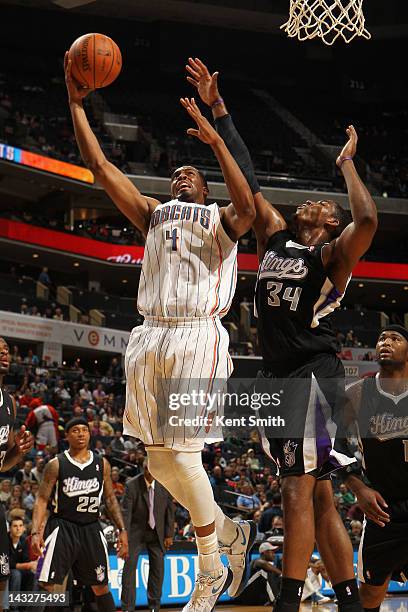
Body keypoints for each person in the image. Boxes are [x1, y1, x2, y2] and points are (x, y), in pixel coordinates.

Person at [65, 54, 257, 612]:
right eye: (176, 175)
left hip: (197, 334)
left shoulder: (221, 220)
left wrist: (216, 143)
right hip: (148, 337)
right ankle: (227, 530)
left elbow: (247, 202)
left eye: (190, 175)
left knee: (186, 455)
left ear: (204, 188)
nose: (181, 178)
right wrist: (76, 105)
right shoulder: (152, 214)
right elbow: (101, 168)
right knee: (155, 460)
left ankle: (209, 568)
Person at [186, 57, 378, 612]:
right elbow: (246, 178)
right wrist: (219, 110)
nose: (313, 202)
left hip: (315, 376)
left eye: (325, 203)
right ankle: (347, 601)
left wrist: (347, 167)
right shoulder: (275, 237)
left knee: (297, 487)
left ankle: (289, 604)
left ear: (330, 222)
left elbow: (367, 223)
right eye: (314, 200)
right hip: (279, 377)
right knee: (317, 494)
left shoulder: (330, 256)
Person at [31, 417, 129, 612]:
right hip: (62, 526)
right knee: (46, 584)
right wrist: (36, 532)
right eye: (75, 430)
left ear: (89, 433)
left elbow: (110, 499)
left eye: (84, 429)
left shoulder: (102, 464)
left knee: (101, 586)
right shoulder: (56, 464)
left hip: (92, 527)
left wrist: (122, 530)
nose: (81, 433)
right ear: (67, 436)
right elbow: (42, 499)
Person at [343, 325, 408, 612]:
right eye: (382, 337)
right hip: (384, 509)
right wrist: (357, 487)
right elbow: (330, 442)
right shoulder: (357, 393)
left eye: (395, 338)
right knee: (369, 595)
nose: (386, 342)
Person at [0, 337, 34, 612]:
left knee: (3, 575)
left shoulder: (9, 402)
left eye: (7, 350)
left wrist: (17, 452)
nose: (3, 353)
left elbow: (4, 463)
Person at [121, 459, 175, 612]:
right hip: (135, 532)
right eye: (147, 469)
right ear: (143, 468)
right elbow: (126, 513)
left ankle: (154, 607)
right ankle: (127, 607)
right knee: (129, 570)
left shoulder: (164, 485)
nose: (149, 472)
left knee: (157, 571)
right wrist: (124, 534)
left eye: (153, 469)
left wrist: (169, 534)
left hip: (157, 534)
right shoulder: (132, 485)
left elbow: (170, 511)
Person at [9, 517, 36, 594]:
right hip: (6, 570)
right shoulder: (5, 540)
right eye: (15, 526)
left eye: (20, 526)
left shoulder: (24, 540)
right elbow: (6, 562)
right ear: (9, 528)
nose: (18, 528)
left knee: (31, 574)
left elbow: (26, 559)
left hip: (18, 569)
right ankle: (13, 605)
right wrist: (27, 565)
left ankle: (26, 604)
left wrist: (31, 564)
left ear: (24, 528)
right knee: (16, 574)